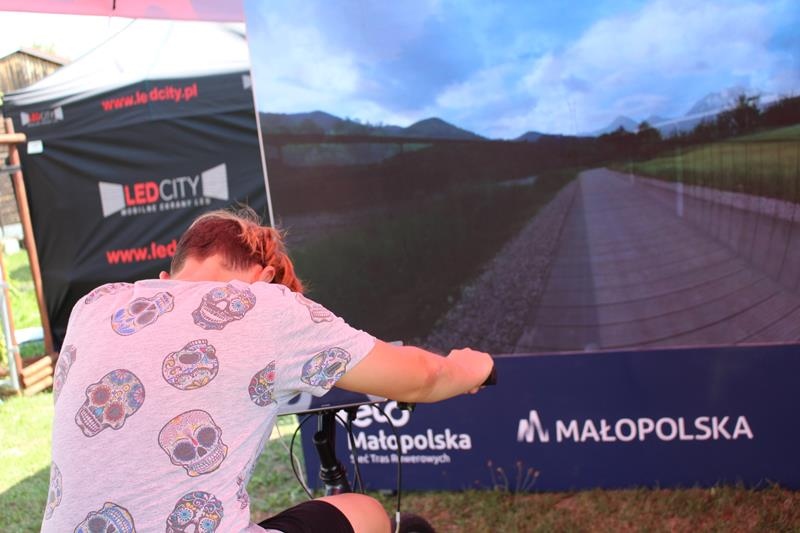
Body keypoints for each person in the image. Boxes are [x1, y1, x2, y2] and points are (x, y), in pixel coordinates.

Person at [41, 206, 494, 533]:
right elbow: (423, 378)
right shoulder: (260, 304)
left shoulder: (93, 306)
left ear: (166, 280)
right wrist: (471, 366)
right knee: (367, 514)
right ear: (264, 277)